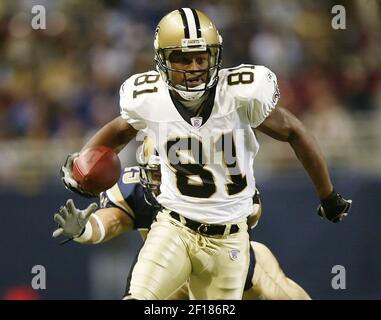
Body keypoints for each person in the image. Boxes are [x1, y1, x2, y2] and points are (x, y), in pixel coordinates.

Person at [61, 8, 351, 299]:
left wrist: (328, 196)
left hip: (230, 246)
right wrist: (83, 166)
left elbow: (292, 133)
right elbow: (110, 212)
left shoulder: (239, 96)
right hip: (174, 227)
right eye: (183, 59)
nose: (194, 67)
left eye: (202, 57)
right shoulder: (143, 145)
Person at [54, 139, 310, 300]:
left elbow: (253, 212)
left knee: (279, 294)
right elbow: (114, 220)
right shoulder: (135, 188)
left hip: (226, 261)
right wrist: (86, 230)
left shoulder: (215, 181)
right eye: (154, 173)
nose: (158, 181)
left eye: (166, 173)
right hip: (173, 268)